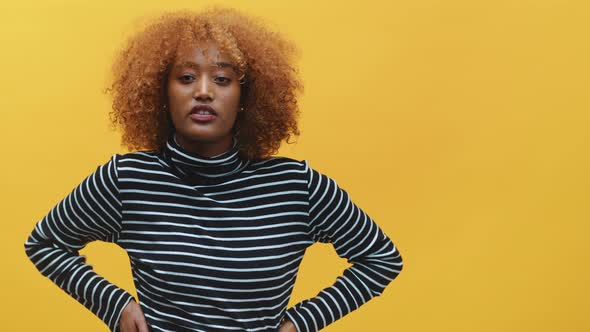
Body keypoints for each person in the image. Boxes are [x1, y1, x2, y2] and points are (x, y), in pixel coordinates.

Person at [24, 7, 403, 332]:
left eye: (222, 79)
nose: (203, 91)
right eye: (186, 77)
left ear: (245, 98)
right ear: (161, 92)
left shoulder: (296, 187)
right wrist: (117, 306)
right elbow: (43, 243)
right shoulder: (128, 181)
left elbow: (381, 259)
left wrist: (299, 323)